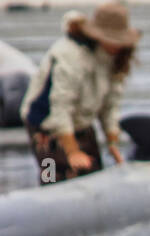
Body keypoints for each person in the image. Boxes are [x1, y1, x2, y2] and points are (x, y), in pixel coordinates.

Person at [20, 3, 138, 184]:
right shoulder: (70, 55)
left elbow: (111, 104)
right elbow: (60, 106)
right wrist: (72, 151)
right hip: (47, 122)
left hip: (82, 121)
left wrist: (112, 142)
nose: (117, 45)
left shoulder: (114, 59)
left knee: (94, 173)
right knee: (57, 177)